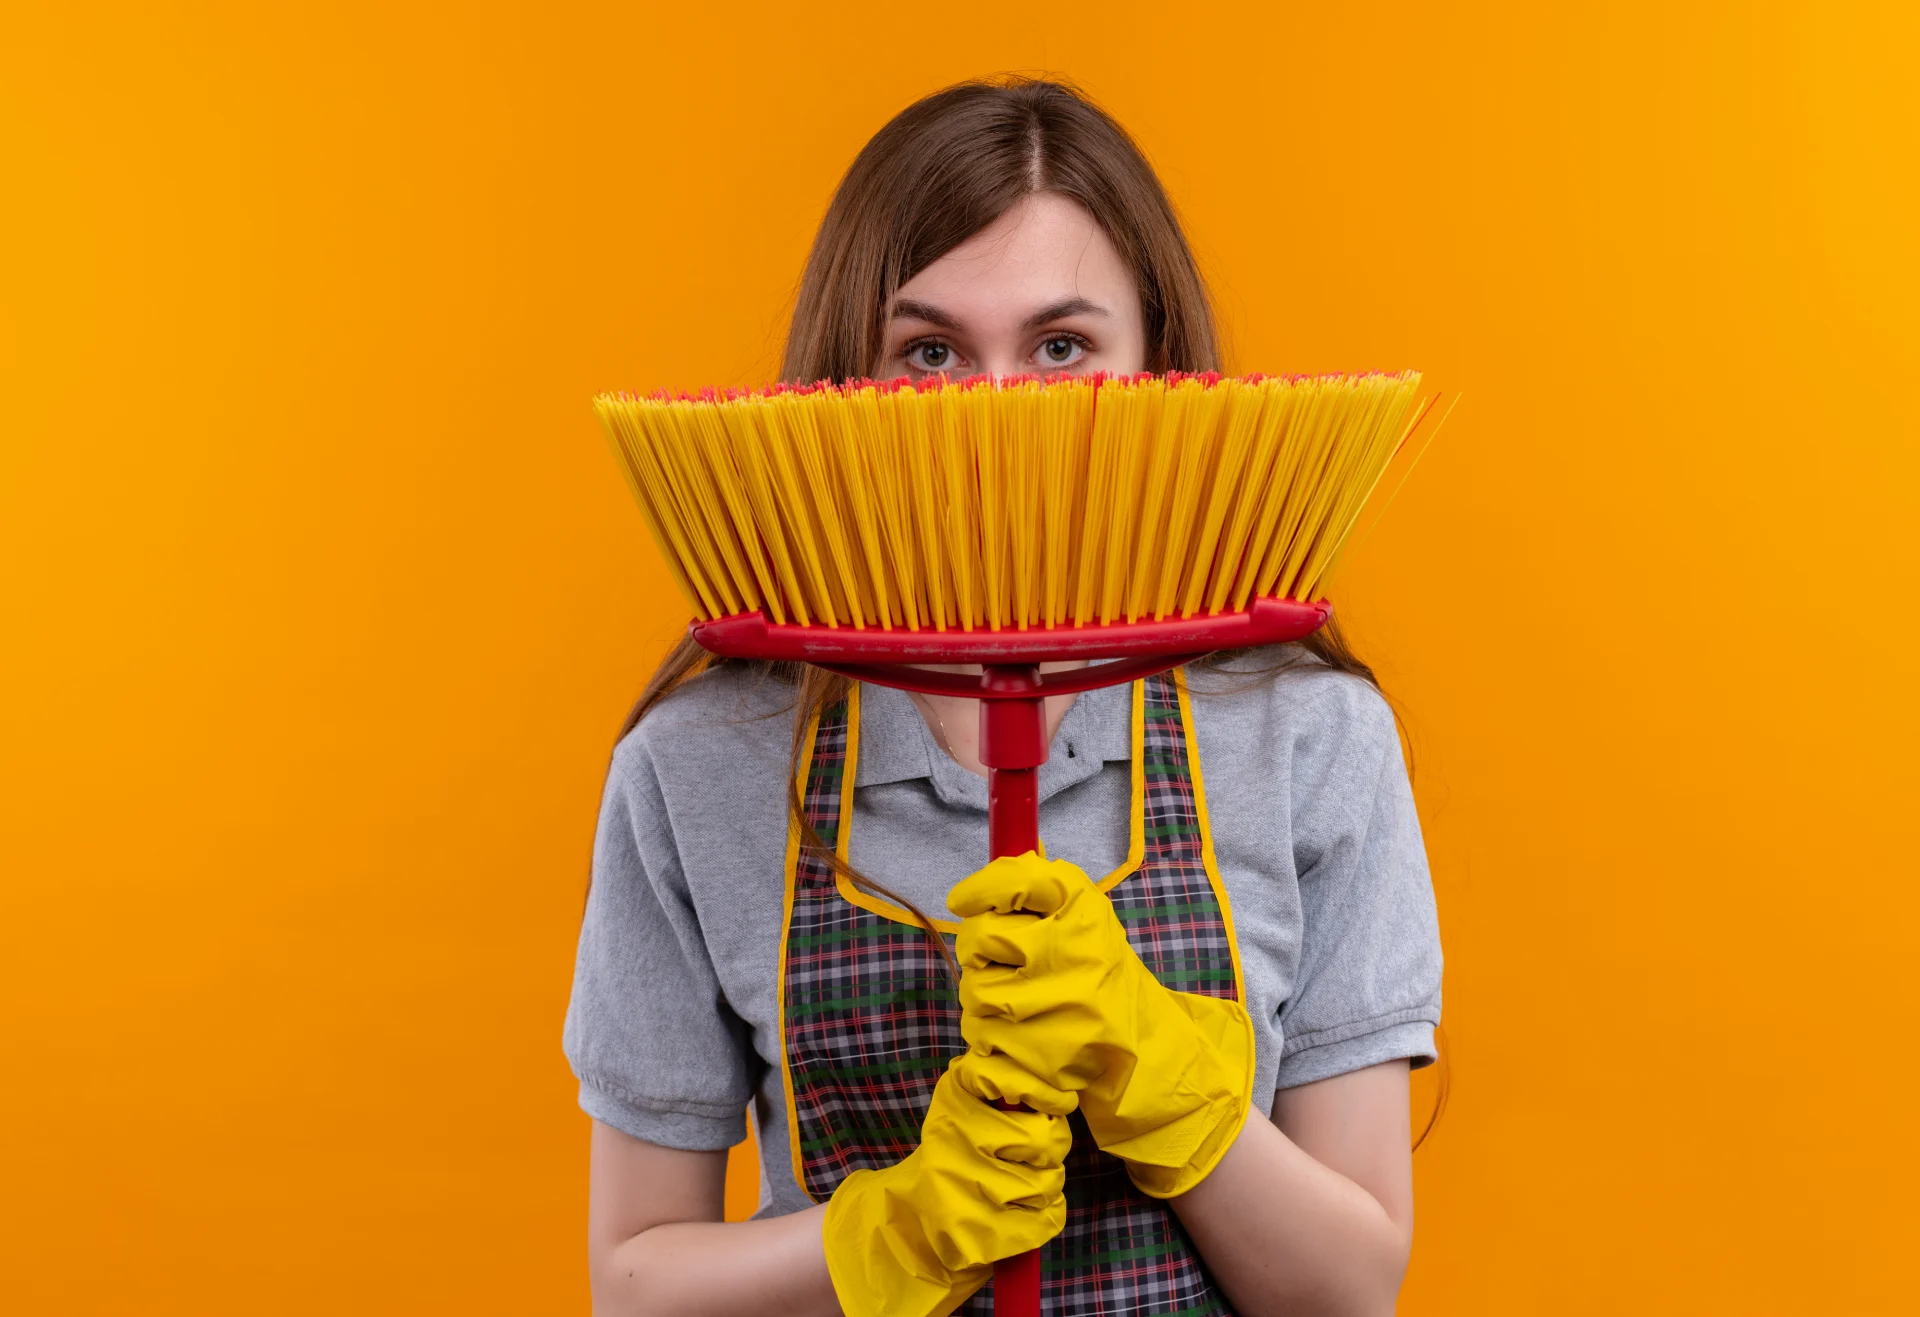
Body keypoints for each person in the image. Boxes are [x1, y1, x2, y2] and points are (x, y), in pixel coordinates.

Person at [562, 76, 1442, 1317]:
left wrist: (1174, 1093)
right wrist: (895, 1229)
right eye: (929, 353)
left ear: (1158, 371)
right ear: (845, 387)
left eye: (1062, 348)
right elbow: (636, 1286)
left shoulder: (1303, 733)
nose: (990, 412)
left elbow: (1349, 1294)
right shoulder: (702, 761)